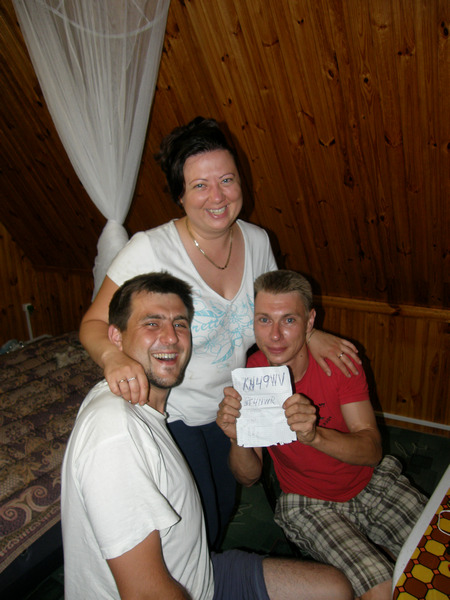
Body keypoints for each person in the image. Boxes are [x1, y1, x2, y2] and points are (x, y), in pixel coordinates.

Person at [80, 116, 361, 550]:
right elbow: (94, 324)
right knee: (193, 525)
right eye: (200, 185)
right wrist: (113, 358)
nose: (218, 196)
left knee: (224, 506)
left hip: (230, 407)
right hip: (171, 411)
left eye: (227, 180)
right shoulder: (150, 250)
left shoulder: (258, 241)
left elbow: (276, 310)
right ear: (180, 195)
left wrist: (311, 334)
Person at [62, 272, 353, 600]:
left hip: (202, 574)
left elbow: (249, 477)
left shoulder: (150, 413)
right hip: (185, 590)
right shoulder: (116, 434)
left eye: (180, 324)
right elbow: (147, 594)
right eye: (152, 324)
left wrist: (238, 437)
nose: (171, 338)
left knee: (335, 587)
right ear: (115, 337)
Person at [216, 269, 428, 600]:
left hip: (370, 481)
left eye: (289, 320)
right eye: (264, 320)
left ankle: (383, 552)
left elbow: (372, 450)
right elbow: (249, 477)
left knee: (436, 550)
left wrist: (315, 436)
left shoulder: (339, 362)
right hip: (308, 501)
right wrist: (236, 438)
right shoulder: (252, 378)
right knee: (382, 590)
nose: (275, 335)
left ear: (310, 322)